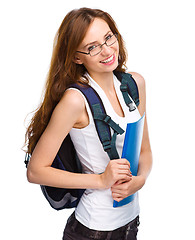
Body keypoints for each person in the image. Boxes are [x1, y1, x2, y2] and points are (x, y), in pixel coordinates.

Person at [25, 7, 152, 240]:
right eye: (92, 47)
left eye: (108, 37)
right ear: (76, 57)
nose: (106, 51)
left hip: (131, 224)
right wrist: (101, 180)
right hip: (91, 230)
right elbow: (35, 171)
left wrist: (140, 180)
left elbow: (145, 151)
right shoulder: (76, 100)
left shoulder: (135, 84)